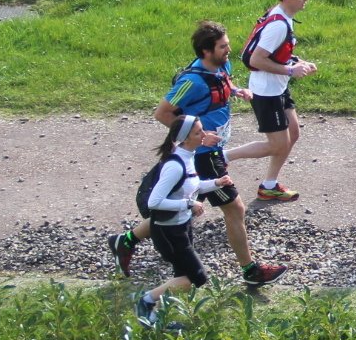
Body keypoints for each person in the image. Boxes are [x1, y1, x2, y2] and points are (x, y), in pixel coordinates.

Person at [111, 21, 286, 287]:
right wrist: (199, 137)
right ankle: (250, 270)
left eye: (227, 44)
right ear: (206, 51)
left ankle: (125, 241)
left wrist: (237, 91)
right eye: (223, 46)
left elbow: (223, 85)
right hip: (201, 155)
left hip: (211, 151)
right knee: (235, 208)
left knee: (183, 209)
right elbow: (163, 113)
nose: (229, 50)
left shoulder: (221, 66)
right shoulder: (191, 81)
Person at [224, 0, 317, 202]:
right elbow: (256, 60)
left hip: (278, 88)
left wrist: (297, 62)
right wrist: (289, 70)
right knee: (277, 145)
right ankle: (223, 157)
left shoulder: (281, 15)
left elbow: (277, 53)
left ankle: (269, 185)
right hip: (266, 93)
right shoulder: (278, 25)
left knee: (293, 133)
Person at [130, 116, 229, 327]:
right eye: (198, 133)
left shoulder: (187, 155)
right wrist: (188, 205)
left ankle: (160, 318)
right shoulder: (175, 166)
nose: (204, 135)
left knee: (182, 275)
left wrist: (216, 183)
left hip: (182, 227)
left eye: (202, 130)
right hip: (169, 232)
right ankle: (145, 302)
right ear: (185, 138)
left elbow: (192, 185)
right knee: (196, 278)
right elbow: (154, 202)